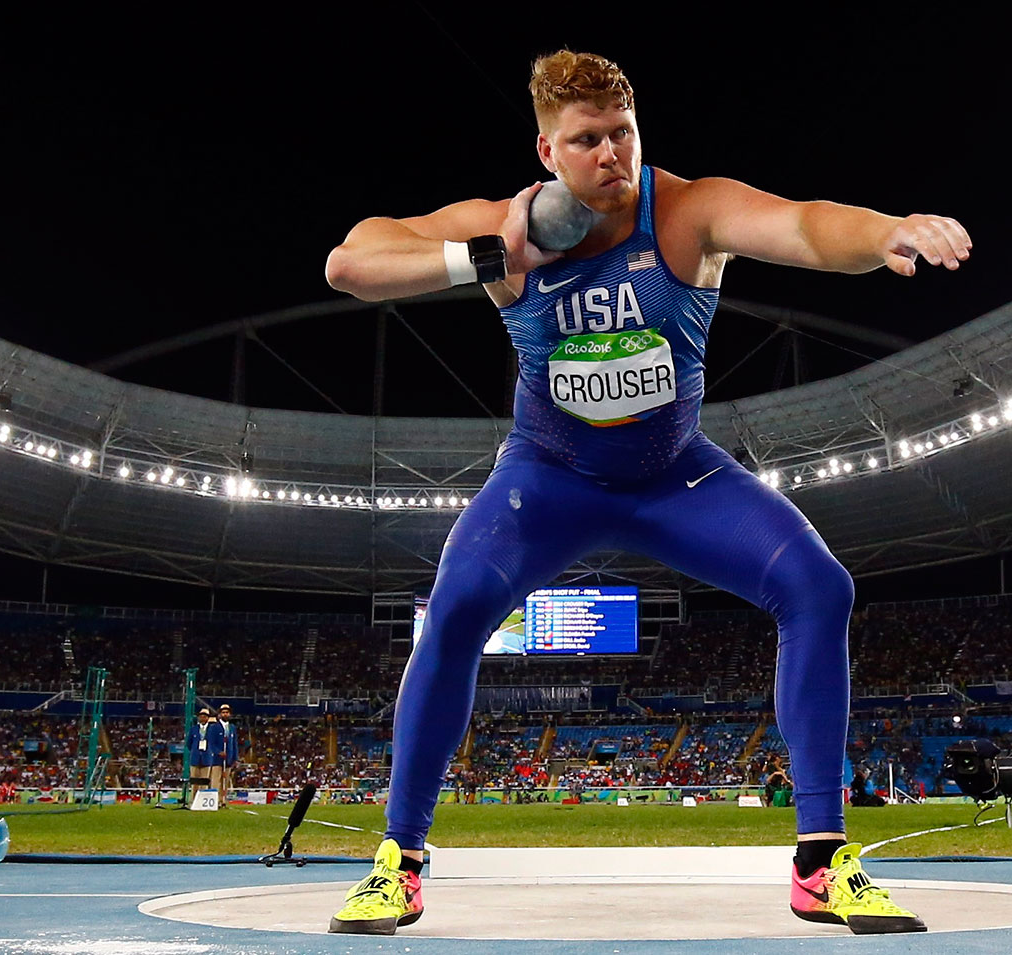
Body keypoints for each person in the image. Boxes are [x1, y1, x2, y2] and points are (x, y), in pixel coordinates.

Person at [323, 49, 970, 936]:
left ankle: (823, 861)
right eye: (586, 140)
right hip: (547, 479)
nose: (610, 155)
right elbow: (349, 262)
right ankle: (399, 861)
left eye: (622, 133)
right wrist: (486, 255)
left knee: (820, 585)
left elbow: (806, 224)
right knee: (456, 606)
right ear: (547, 150)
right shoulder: (500, 227)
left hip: (677, 475)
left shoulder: (689, 212)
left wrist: (886, 230)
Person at [186, 708, 222, 803]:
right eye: (201, 716)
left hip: (207, 758)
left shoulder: (212, 729)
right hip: (195, 758)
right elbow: (188, 743)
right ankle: (193, 801)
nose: (202, 718)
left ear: (208, 718)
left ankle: (202, 801)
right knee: (194, 781)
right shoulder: (194, 729)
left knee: (205, 781)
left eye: (205, 716)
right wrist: (195, 750)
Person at [216, 704, 239, 809]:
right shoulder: (215, 727)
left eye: (227, 712)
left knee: (226, 781)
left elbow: (234, 744)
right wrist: (218, 752)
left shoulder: (232, 727)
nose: (225, 714)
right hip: (217, 760)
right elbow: (211, 743)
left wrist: (235, 758)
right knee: (216, 781)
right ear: (220, 714)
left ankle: (224, 800)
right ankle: (216, 800)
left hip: (229, 759)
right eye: (223, 712)